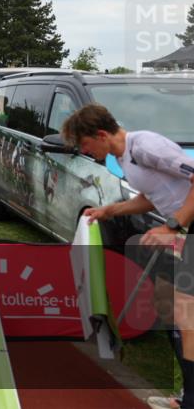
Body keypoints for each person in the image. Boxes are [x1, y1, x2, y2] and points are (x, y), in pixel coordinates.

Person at [61, 104, 194, 409]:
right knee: (170, 307)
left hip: (185, 227)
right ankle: (186, 395)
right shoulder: (123, 158)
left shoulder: (145, 146)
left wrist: (172, 225)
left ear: (101, 134)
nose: (85, 151)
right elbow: (152, 196)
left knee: (185, 313)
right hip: (184, 230)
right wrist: (109, 210)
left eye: (85, 144)